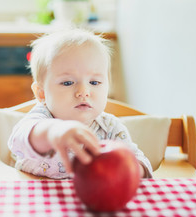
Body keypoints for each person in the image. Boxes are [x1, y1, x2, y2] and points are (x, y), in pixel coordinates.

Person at [8, 28, 152, 179]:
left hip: (92, 199)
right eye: (68, 82)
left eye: (94, 82)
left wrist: (129, 169)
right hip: (38, 197)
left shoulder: (110, 129)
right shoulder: (39, 120)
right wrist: (53, 132)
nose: (83, 91)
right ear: (41, 93)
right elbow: (18, 141)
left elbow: (139, 161)